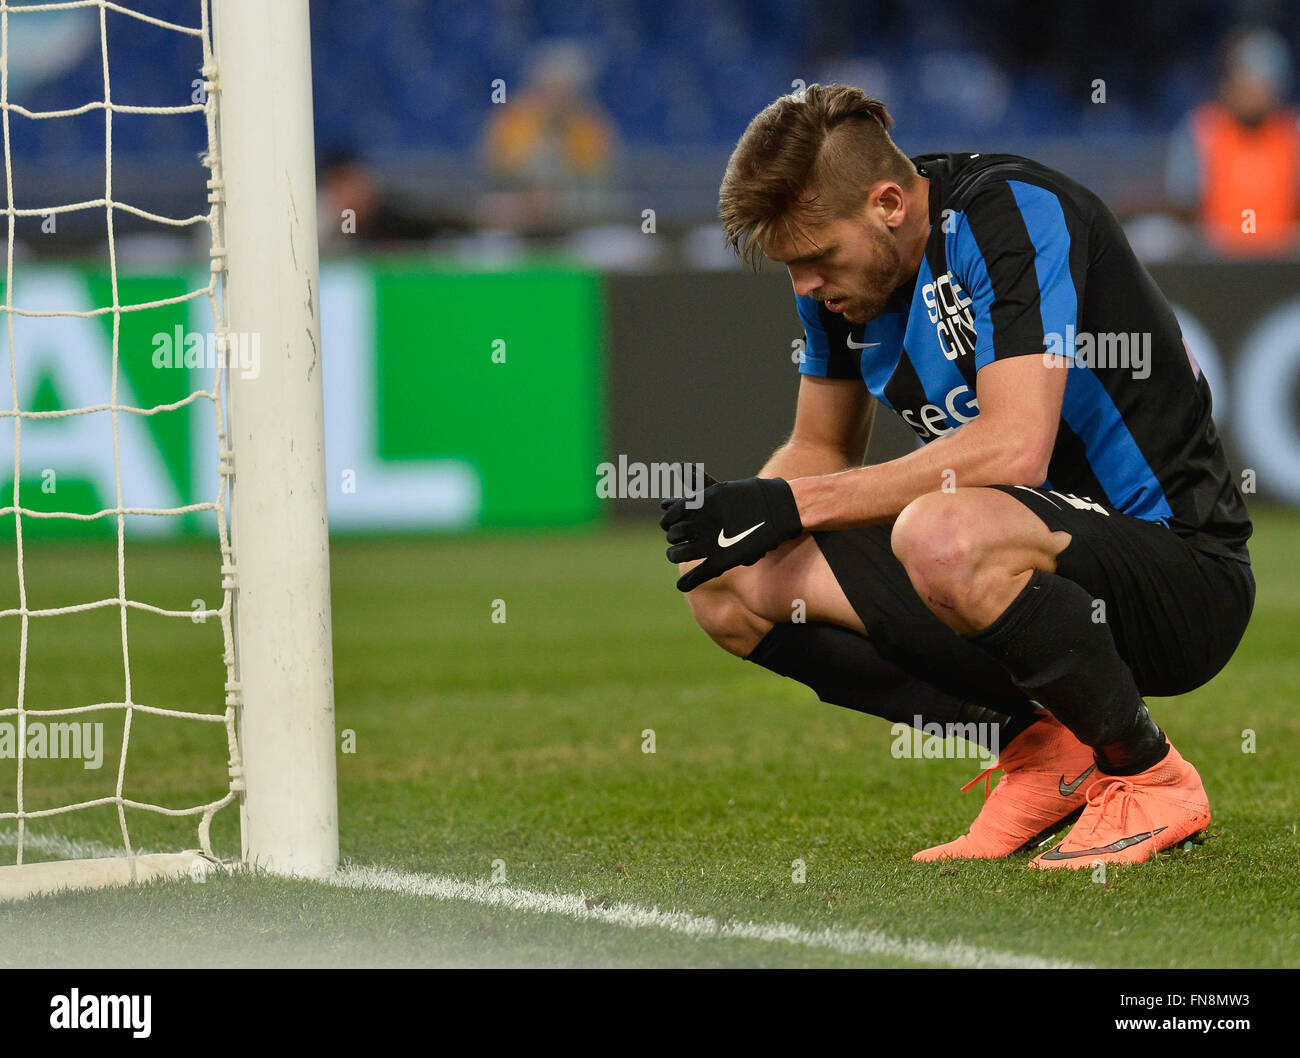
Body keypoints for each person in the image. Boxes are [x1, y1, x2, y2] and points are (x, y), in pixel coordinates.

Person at [661, 84, 1254, 869]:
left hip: (1180, 572)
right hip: (1014, 558)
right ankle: (1047, 755)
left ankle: (1147, 773)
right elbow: (819, 451)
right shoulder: (843, 286)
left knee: (942, 531)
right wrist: (743, 522)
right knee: (728, 584)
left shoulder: (1008, 214)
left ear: (887, 204)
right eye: (791, 267)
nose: (805, 285)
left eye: (816, 259)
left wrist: (794, 502)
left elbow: (1014, 450)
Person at [1166, 26, 1300, 257]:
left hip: (1284, 266)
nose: (1256, 90)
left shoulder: (1293, 133)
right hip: (1215, 263)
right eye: (1247, 77)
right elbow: (1182, 204)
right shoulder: (1202, 129)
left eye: (1265, 81)